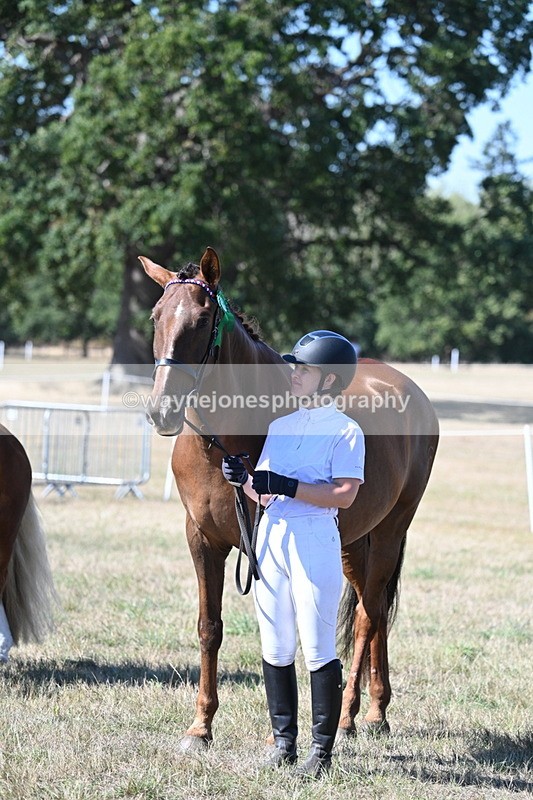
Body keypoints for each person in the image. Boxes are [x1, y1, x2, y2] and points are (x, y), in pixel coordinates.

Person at [222, 330, 365, 778]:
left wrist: (286, 486)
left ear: (328, 380)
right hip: (272, 536)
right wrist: (242, 479)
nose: (294, 375)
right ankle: (283, 742)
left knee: (318, 646)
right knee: (275, 643)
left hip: (314, 539)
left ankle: (321, 753)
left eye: (303, 369)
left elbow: (344, 495)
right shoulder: (280, 426)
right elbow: (263, 491)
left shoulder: (346, 430)